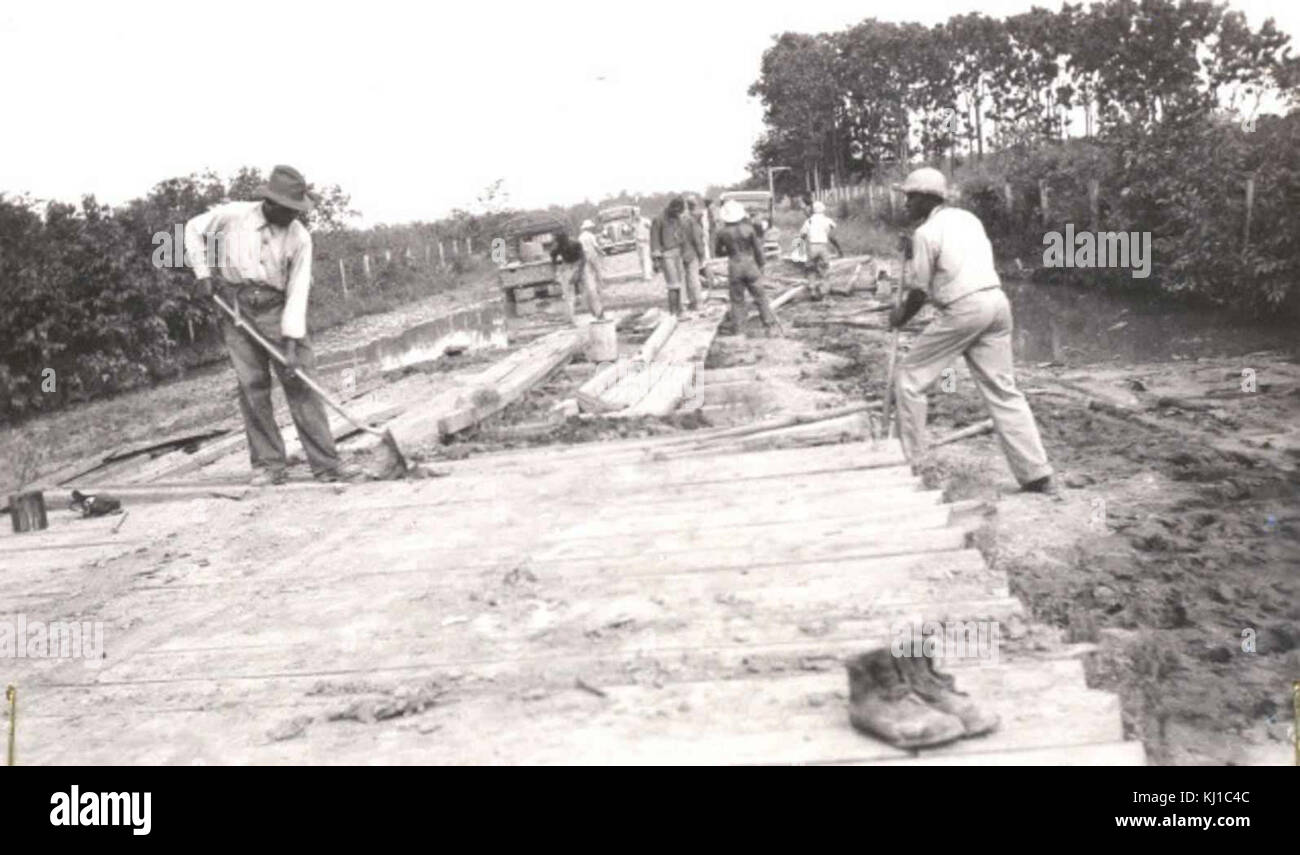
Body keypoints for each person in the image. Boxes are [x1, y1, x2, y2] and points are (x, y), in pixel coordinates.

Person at [184, 165, 363, 486]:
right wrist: (203, 274)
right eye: (290, 209)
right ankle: (268, 465)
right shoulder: (231, 216)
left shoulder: (299, 238)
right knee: (252, 387)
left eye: (298, 210)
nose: (295, 215)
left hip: (278, 309)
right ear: (272, 203)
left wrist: (292, 343)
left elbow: (298, 291)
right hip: (236, 308)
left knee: (301, 383)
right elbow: (191, 230)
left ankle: (326, 465)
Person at [889, 167, 1055, 494]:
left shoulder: (926, 234)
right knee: (1003, 390)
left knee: (909, 378)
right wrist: (913, 252)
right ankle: (1037, 473)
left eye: (910, 198)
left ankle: (914, 464)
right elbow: (956, 256)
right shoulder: (968, 220)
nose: (906, 204)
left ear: (925, 199)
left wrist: (899, 318)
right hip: (997, 304)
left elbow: (919, 292)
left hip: (964, 309)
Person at [713, 200, 779, 337]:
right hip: (750, 265)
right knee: (760, 297)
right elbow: (758, 250)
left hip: (735, 266)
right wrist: (761, 265)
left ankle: (739, 329)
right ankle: (770, 326)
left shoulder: (722, 232)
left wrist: (730, 251)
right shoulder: (749, 229)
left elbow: (718, 252)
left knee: (737, 300)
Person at [650, 197, 703, 314]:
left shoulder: (678, 218)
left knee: (681, 283)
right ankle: (674, 311)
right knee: (673, 284)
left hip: (679, 253)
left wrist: (687, 252)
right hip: (667, 255)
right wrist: (656, 260)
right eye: (676, 211)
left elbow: (683, 236)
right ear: (671, 208)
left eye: (679, 212)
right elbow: (654, 241)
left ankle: (681, 308)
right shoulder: (658, 220)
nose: (677, 214)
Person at [800, 200, 843, 299]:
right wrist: (839, 249)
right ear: (823, 210)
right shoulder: (827, 220)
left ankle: (812, 290)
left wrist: (800, 248)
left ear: (813, 210)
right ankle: (823, 291)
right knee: (825, 269)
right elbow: (832, 235)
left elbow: (802, 235)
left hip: (812, 246)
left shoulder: (809, 221)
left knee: (811, 269)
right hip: (823, 246)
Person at [564, 220, 605, 323]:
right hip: (583, 264)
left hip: (581, 266)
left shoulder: (579, 240)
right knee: (590, 290)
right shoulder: (585, 238)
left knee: (588, 290)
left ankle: (597, 313)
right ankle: (597, 313)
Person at [635, 213, 653, 281]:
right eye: (634, 214)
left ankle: (648, 275)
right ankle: (644, 273)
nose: (636, 216)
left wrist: (648, 237)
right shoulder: (634, 223)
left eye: (637, 214)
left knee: (646, 258)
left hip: (645, 242)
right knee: (641, 259)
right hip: (638, 243)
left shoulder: (646, 221)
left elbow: (651, 228)